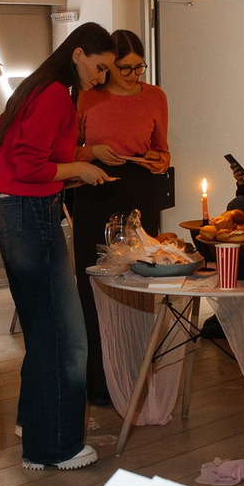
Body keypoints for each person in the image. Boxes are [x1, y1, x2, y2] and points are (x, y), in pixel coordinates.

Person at [0, 22, 116, 470]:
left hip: (15, 213)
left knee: (45, 335)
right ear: (78, 54)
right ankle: (56, 447)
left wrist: (84, 155)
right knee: (67, 340)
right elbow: (27, 164)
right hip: (31, 213)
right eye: (99, 67)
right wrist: (77, 170)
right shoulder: (57, 94)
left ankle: (37, 428)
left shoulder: (39, 87)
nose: (100, 78)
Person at [69, 28, 171, 407]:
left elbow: (163, 150)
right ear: (108, 66)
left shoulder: (155, 96)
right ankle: (97, 381)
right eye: (124, 68)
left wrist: (160, 160)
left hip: (140, 188)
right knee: (94, 282)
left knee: (142, 280)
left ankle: (137, 376)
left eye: (138, 68)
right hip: (95, 189)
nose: (133, 76)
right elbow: (68, 150)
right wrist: (93, 150)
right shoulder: (87, 96)